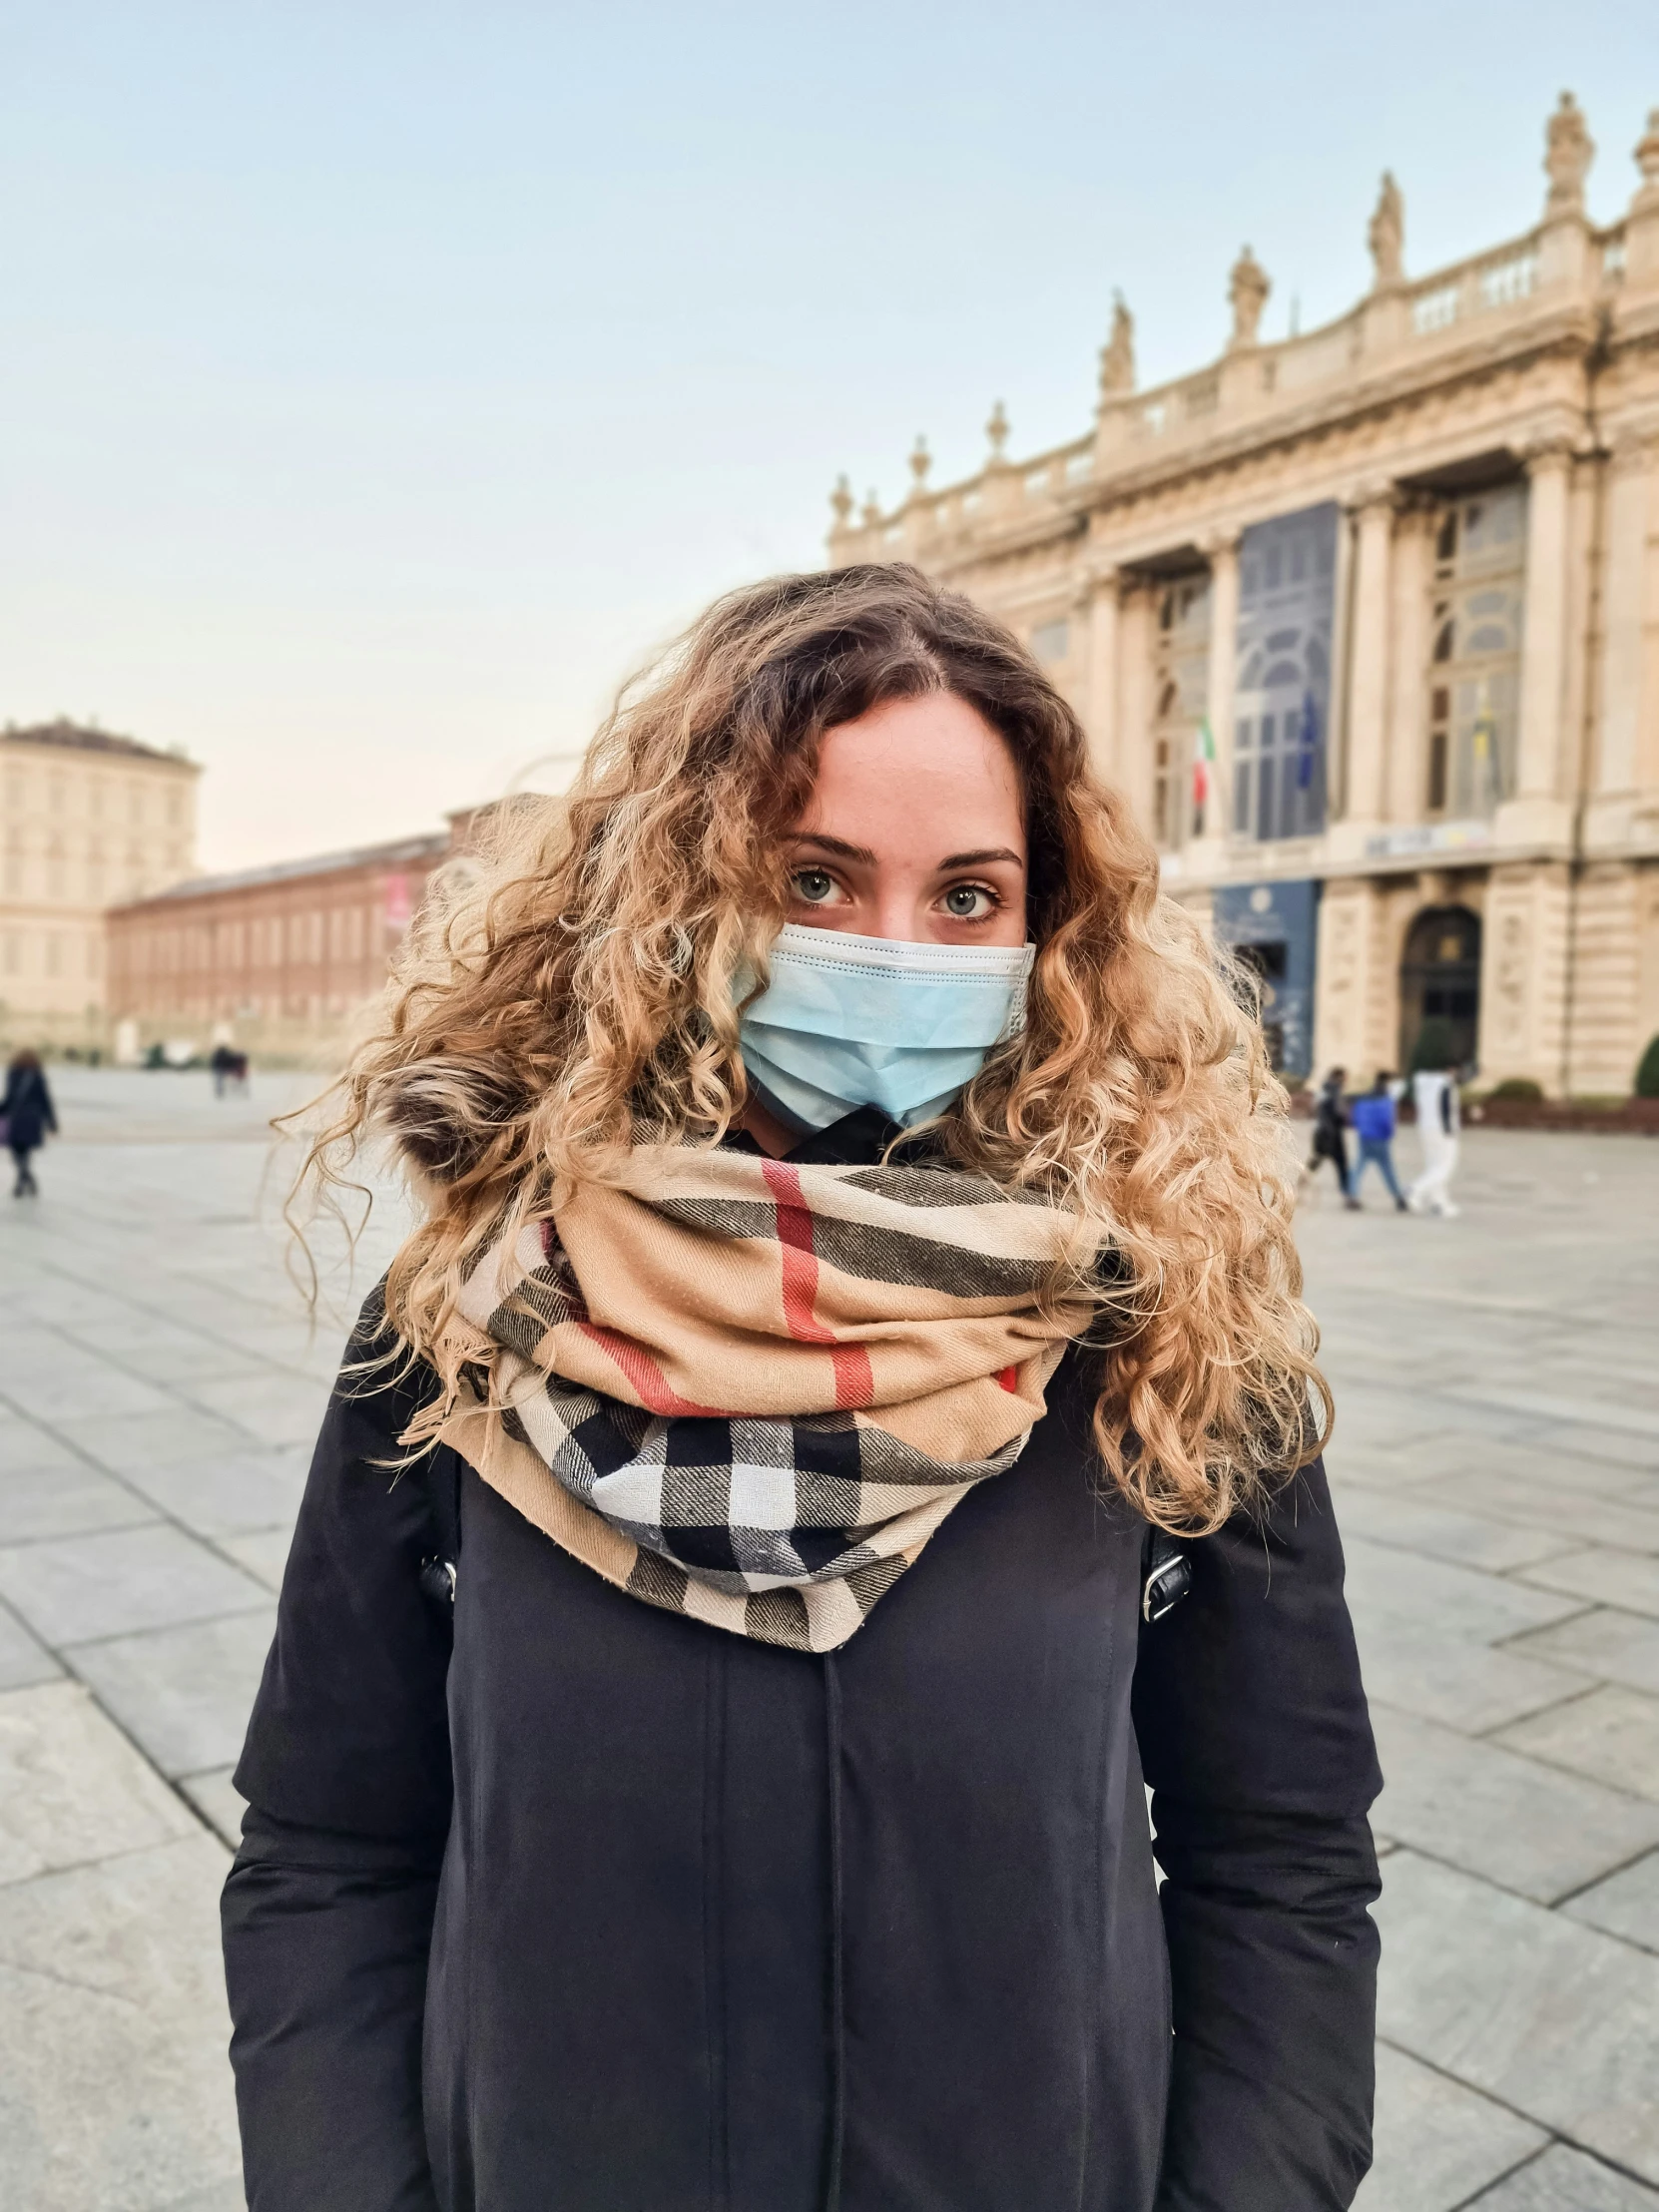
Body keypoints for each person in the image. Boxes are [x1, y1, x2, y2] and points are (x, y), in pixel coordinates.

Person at [222, 566, 1381, 2212]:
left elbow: (1282, 1864)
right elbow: (327, 1852)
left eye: (966, 895)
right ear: (678, 900)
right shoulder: (463, 1326)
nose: (894, 951)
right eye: (815, 879)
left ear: (1047, 931)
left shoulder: (1165, 1337)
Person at [1348, 1070, 1408, 1212]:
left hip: (1365, 1136)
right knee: (1388, 1169)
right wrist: (1389, 1134)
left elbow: (1356, 1117)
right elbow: (1387, 1121)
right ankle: (1398, 1197)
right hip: (1380, 1138)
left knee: (1358, 1167)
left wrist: (1362, 1129)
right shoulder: (1386, 1099)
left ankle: (1352, 1194)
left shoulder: (1365, 1097)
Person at [1409, 1058, 1462, 1218]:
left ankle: (1439, 1203)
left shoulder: (1424, 1083)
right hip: (1442, 1130)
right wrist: (1450, 1130)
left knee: (1433, 1166)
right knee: (1444, 1167)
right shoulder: (1446, 1085)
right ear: (1451, 1070)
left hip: (1425, 1128)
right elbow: (1445, 1108)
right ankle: (1415, 1189)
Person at [2, 1048, 57, 1197]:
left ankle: (23, 1179)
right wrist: (52, 1122)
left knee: (16, 1153)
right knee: (25, 1153)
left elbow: (9, 1098)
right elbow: (46, 1100)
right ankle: (26, 1178)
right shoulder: (38, 1076)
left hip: (17, 1118)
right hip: (33, 1120)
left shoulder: (13, 1074)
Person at [1308, 1065, 1352, 1199]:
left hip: (1322, 1130)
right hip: (1332, 1132)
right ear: (1338, 1077)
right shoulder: (1335, 1091)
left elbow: (1314, 1107)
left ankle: (1303, 1180)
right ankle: (1347, 1189)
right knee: (1341, 1162)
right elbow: (1339, 1111)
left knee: (1318, 1158)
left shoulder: (1324, 1089)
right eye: (1344, 1077)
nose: (1345, 1080)